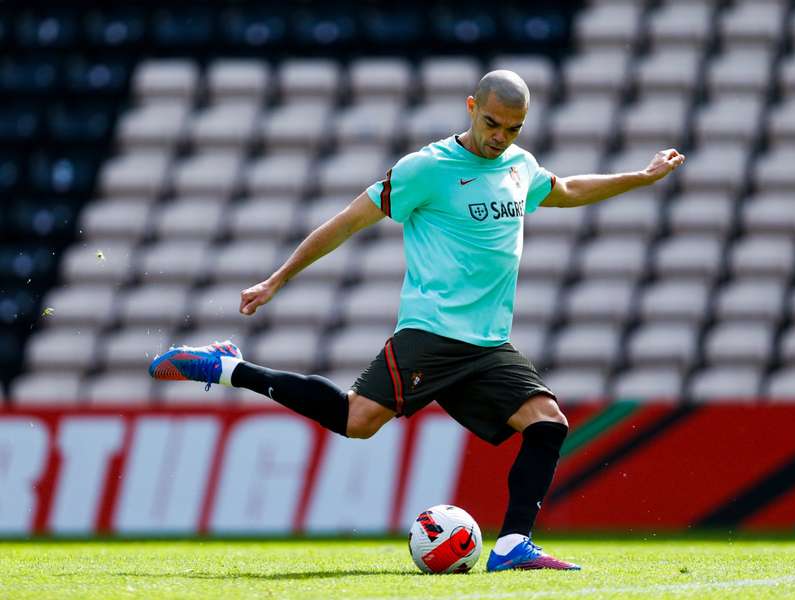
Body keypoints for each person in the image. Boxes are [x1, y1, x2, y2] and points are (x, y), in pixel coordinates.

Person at [150, 70, 685, 571]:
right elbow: (347, 221)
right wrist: (276, 280)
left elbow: (565, 190)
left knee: (547, 424)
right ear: (472, 107)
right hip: (432, 333)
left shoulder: (520, 165)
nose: (500, 137)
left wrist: (642, 176)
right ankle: (230, 368)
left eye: (513, 128)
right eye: (491, 123)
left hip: (488, 344)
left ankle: (514, 545)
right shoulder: (425, 168)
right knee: (355, 422)